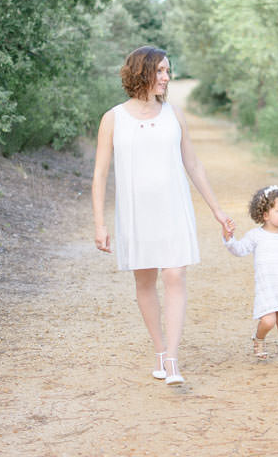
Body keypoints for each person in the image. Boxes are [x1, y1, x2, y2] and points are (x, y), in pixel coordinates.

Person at [92, 46, 233, 385]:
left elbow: (193, 164)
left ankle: (172, 358)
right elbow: (99, 175)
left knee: (174, 275)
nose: (167, 78)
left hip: (174, 207)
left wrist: (217, 209)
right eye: (161, 71)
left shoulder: (174, 114)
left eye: (168, 71)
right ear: (141, 72)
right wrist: (100, 224)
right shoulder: (113, 118)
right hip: (137, 213)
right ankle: (159, 350)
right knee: (145, 282)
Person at [222, 184, 278, 369]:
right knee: (268, 320)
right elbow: (239, 249)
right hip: (267, 287)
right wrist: (229, 238)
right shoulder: (256, 236)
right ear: (266, 215)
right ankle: (259, 338)